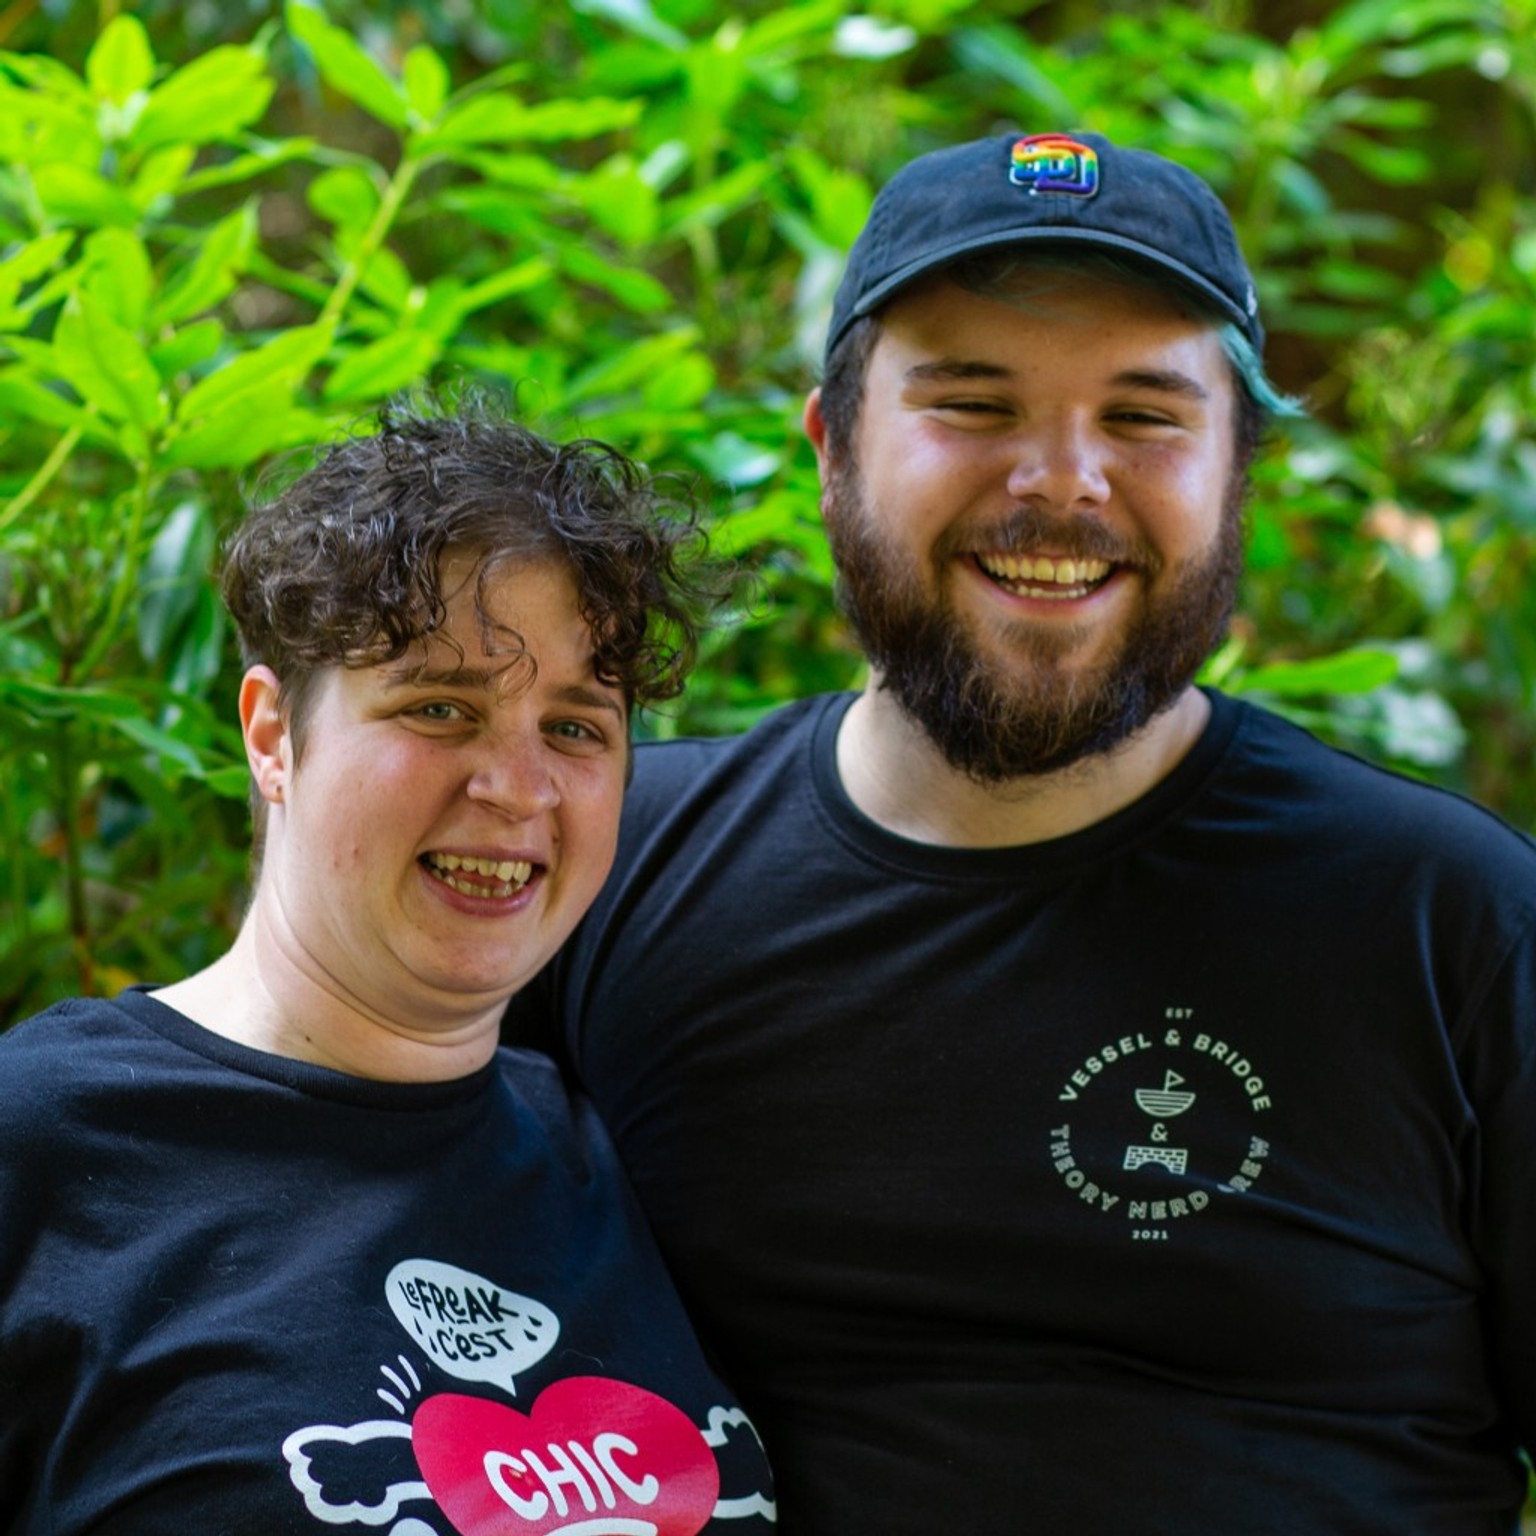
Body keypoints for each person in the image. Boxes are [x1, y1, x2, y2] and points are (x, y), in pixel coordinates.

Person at [506, 132, 1536, 1532]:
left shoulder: (1451, 921)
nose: (1062, 482)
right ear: (831, 449)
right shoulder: (595, 865)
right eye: (973, 404)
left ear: (1241, 472)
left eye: (1145, 417)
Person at [0, 402, 776, 1532]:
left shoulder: (616, 1150)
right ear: (272, 736)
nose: (517, 789)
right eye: (440, 707)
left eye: (575, 728)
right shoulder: (40, 1143)